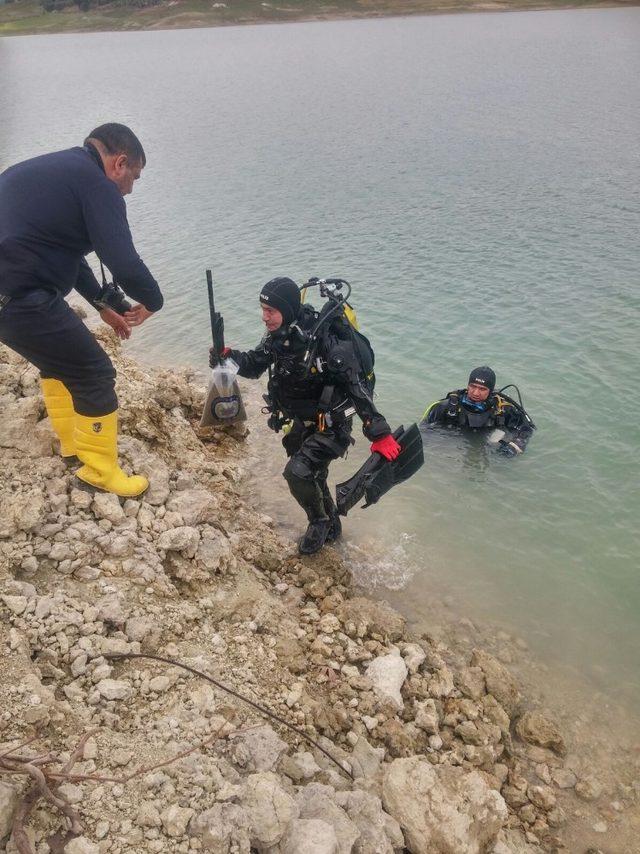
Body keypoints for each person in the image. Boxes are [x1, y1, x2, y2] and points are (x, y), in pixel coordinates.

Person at [0, 123, 163, 496]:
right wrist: (154, 302)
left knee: (59, 362)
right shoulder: (99, 186)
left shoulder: (50, 171)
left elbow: (62, 249)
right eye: (133, 177)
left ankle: (73, 448)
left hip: (12, 296)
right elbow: (123, 262)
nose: (130, 188)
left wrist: (102, 303)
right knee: (94, 373)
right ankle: (100, 472)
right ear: (119, 163)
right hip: (21, 298)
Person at [217, 277, 401, 555]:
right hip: (302, 421)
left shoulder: (327, 345)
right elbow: (254, 365)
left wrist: (380, 434)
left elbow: (357, 388)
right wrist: (227, 358)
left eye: (270, 311)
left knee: (298, 473)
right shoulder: (279, 336)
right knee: (312, 474)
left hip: (332, 424)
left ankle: (319, 522)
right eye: (262, 309)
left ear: (288, 309)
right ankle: (334, 529)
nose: (264, 317)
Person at [420, 366, 535, 457]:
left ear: (491, 391)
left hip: (486, 448)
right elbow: (424, 432)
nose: (475, 393)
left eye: (482, 389)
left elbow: (526, 429)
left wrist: (516, 445)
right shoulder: (445, 407)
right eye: (473, 386)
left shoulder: (503, 409)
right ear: (468, 386)